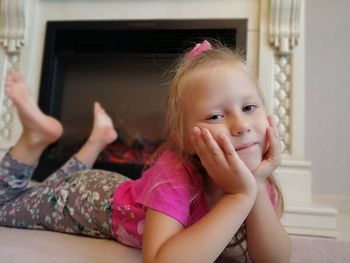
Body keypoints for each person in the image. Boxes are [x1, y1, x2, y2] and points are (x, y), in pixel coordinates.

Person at [0, 40, 291, 263]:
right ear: (183, 139)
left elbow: (274, 259)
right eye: (215, 116)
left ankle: (97, 140)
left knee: (49, 187)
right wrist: (240, 196)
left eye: (249, 107)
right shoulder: (175, 173)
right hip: (84, 198)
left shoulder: (259, 177)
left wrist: (255, 185)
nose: (241, 126)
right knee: (5, 204)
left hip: (116, 188)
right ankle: (35, 138)